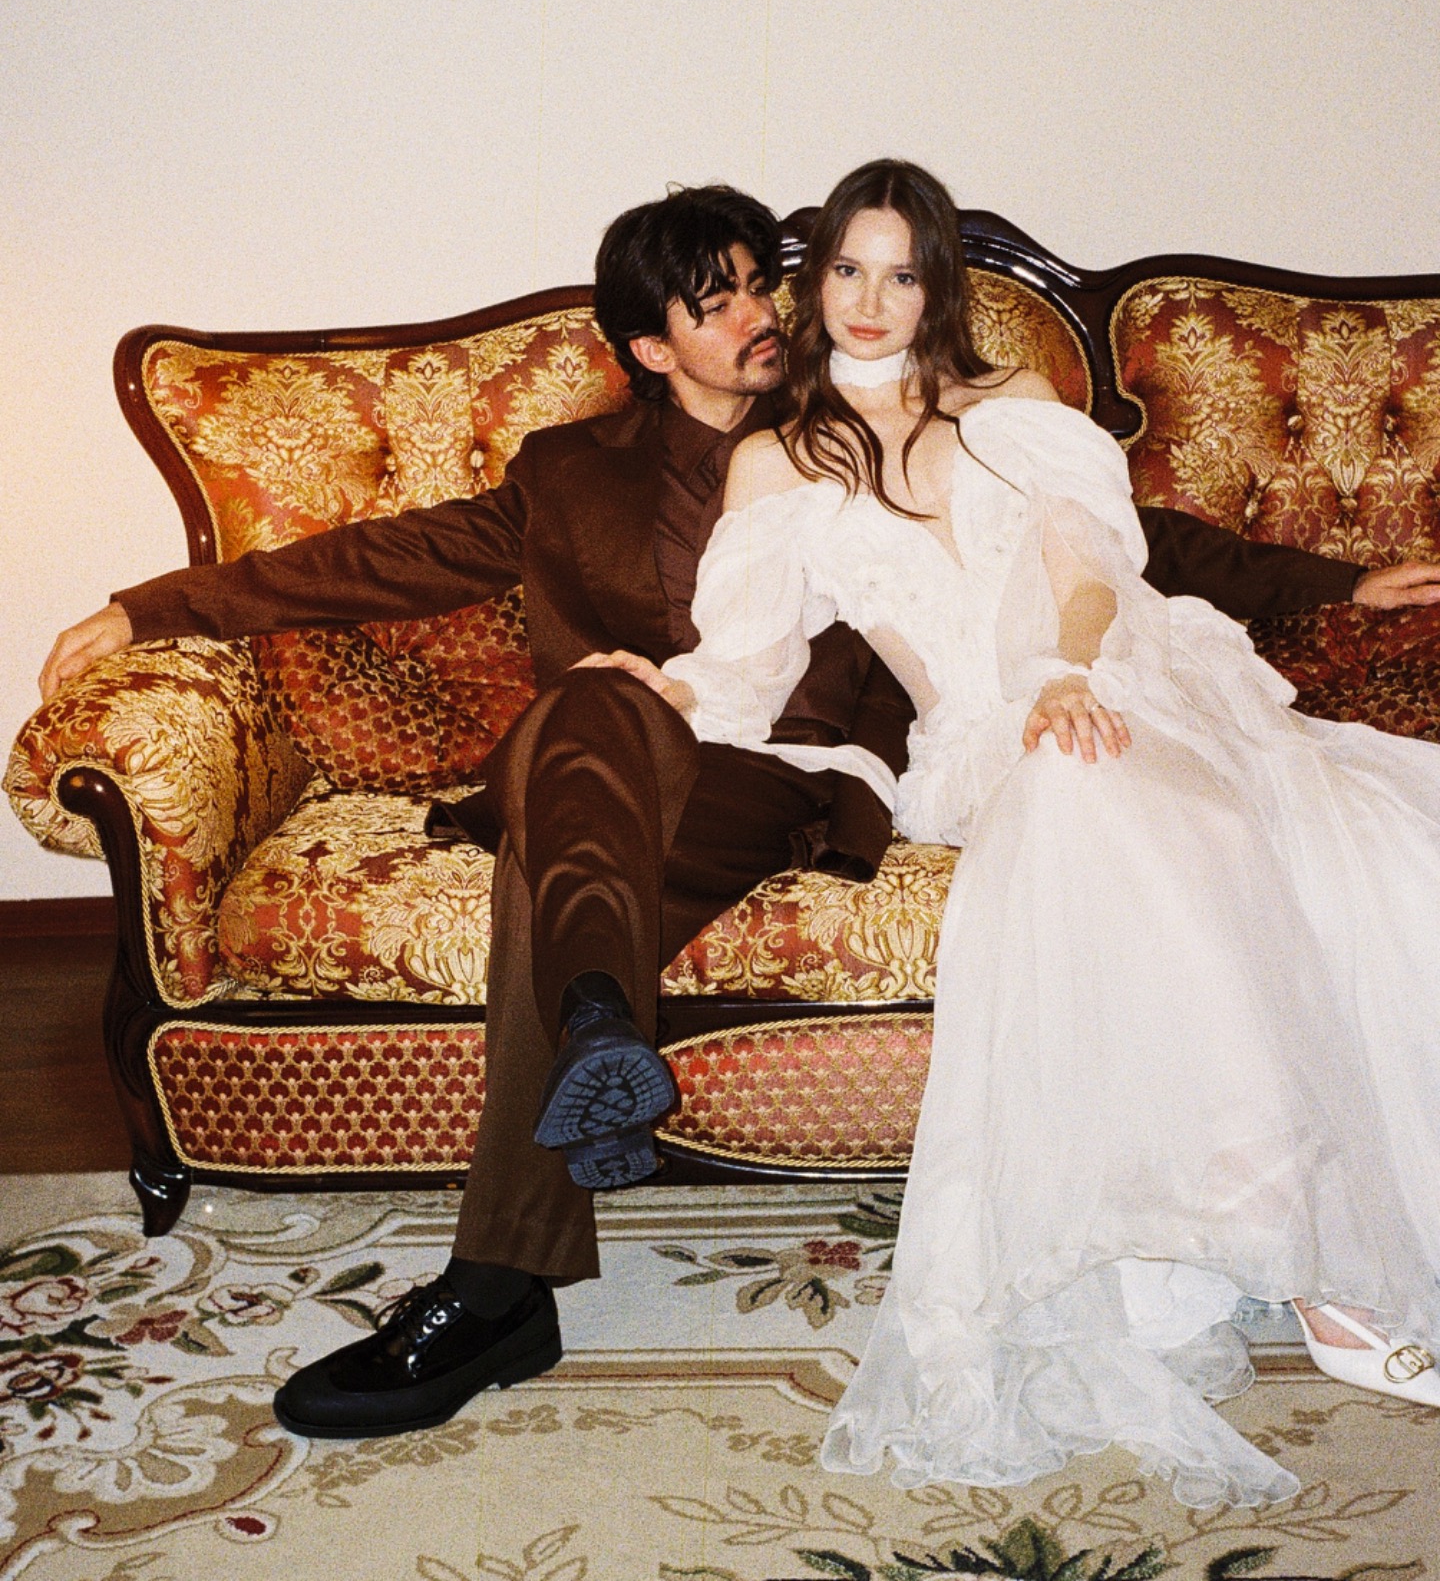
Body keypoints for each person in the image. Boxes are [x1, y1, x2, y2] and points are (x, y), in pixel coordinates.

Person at [38, 184, 1440, 1451]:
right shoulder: (570, 472)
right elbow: (377, 559)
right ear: (652, 348)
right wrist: (150, 609)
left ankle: (535, 1180)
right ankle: (554, 1135)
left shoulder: (863, 430)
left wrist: (1325, 583)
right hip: (641, 745)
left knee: (560, 875)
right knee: (590, 722)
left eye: (765, 284)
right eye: (720, 302)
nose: (762, 314)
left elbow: (1113, 541)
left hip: (799, 777)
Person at [599, 159, 1440, 1508]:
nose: (871, 300)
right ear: (818, 284)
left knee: (1218, 808)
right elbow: (743, 664)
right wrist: (659, 691)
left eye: (902, 273)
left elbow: (1090, 570)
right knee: (1078, 793)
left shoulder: (1018, 406)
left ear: (939, 285)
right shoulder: (777, 459)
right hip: (983, 742)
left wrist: (1067, 674)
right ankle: (1298, 1250)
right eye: (847, 269)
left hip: (1117, 676)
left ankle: (1318, 1257)